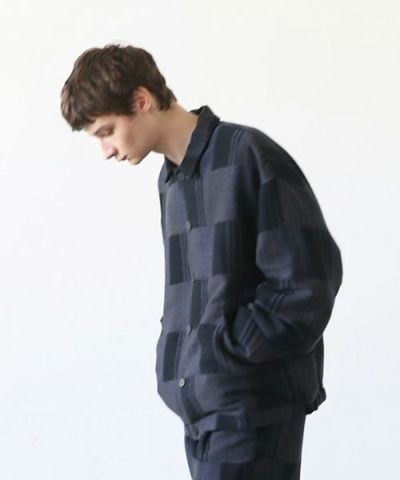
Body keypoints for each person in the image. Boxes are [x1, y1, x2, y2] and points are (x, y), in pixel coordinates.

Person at [60, 43, 343, 480]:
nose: (107, 150)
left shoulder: (246, 154)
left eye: (106, 131)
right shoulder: (171, 180)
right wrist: (184, 360)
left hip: (251, 411)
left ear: (141, 100)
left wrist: (229, 353)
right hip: (203, 416)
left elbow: (309, 280)